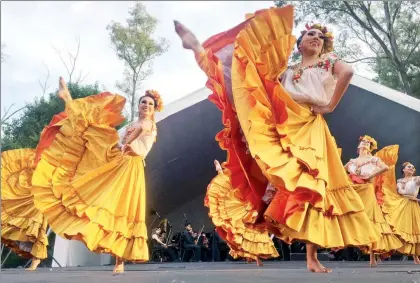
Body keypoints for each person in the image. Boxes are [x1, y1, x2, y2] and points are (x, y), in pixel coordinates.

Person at [175, 5, 381, 273]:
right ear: (299, 44)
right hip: (285, 122)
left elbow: (348, 73)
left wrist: (330, 105)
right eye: (311, 35)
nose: (316, 38)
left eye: (320, 36)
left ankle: (311, 257)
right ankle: (197, 49)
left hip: (309, 124)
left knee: (311, 186)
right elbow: (255, 83)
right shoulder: (286, 69)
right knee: (243, 82)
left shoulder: (329, 62)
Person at [31, 77, 163, 274]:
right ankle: (69, 101)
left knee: (122, 210)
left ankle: (120, 262)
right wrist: (120, 144)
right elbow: (122, 140)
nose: (146, 105)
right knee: (92, 135)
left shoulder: (150, 125)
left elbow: (141, 132)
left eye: (150, 104)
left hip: (131, 168)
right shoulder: (133, 123)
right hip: (118, 160)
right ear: (139, 105)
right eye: (143, 102)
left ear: (154, 109)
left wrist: (128, 143)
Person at [344, 135, 402, 267]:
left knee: (370, 219)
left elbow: (385, 168)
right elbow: (340, 172)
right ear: (358, 146)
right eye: (363, 141)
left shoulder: (373, 159)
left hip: (366, 190)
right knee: (352, 217)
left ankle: (372, 256)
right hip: (354, 190)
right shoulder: (352, 161)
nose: (364, 143)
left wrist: (369, 175)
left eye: (368, 142)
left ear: (370, 148)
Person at [1, 149, 49, 271]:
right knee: (22, 227)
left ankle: (36, 260)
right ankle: (35, 259)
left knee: (36, 228)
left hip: (40, 199)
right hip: (30, 196)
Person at [378, 156, 420, 264]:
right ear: (404, 170)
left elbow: (406, 192)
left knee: (414, 229)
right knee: (396, 226)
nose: (411, 168)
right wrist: (413, 197)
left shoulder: (417, 178)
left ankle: (416, 257)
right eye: (409, 167)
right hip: (402, 205)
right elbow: (400, 192)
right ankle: (384, 250)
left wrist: (414, 198)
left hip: (413, 206)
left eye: (413, 167)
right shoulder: (400, 180)